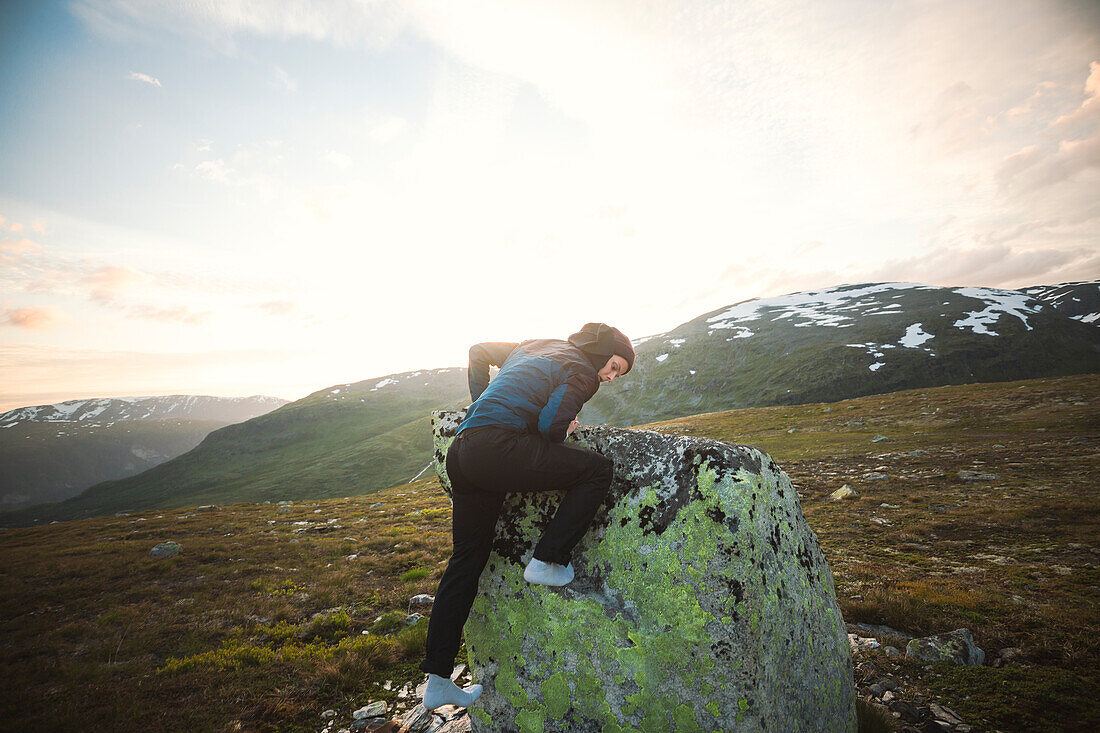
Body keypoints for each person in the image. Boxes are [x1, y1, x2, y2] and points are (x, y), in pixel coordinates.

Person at [418, 322, 636, 711]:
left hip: (464, 450)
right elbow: (551, 426)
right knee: (597, 470)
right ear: (603, 351)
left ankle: (437, 680)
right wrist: (565, 426)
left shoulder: (535, 343)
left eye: (617, 373)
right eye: (615, 366)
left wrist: (479, 401)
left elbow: (478, 351)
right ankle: (547, 560)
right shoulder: (584, 371)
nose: (612, 376)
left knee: (466, 561)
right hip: (499, 447)